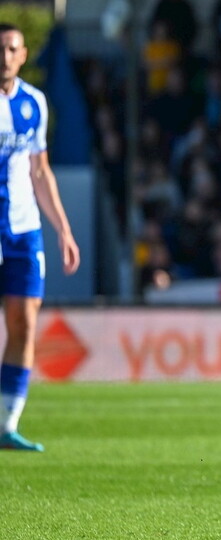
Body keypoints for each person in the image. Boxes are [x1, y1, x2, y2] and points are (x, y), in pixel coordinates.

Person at [0, 23, 81, 451]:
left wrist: (63, 230)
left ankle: (7, 425)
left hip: (24, 230)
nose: (4, 57)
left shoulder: (33, 103)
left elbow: (40, 170)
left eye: (11, 49)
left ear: (23, 55)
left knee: (24, 323)